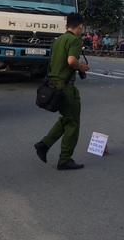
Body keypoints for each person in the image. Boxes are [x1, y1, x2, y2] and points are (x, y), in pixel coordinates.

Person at [34, 13, 90, 170]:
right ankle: (65, 159)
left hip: (53, 85)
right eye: (82, 27)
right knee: (73, 123)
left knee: (66, 118)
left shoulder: (57, 41)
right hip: (66, 87)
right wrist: (81, 66)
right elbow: (71, 61)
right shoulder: (74, 40)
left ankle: (44, 144)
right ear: (80, 26)